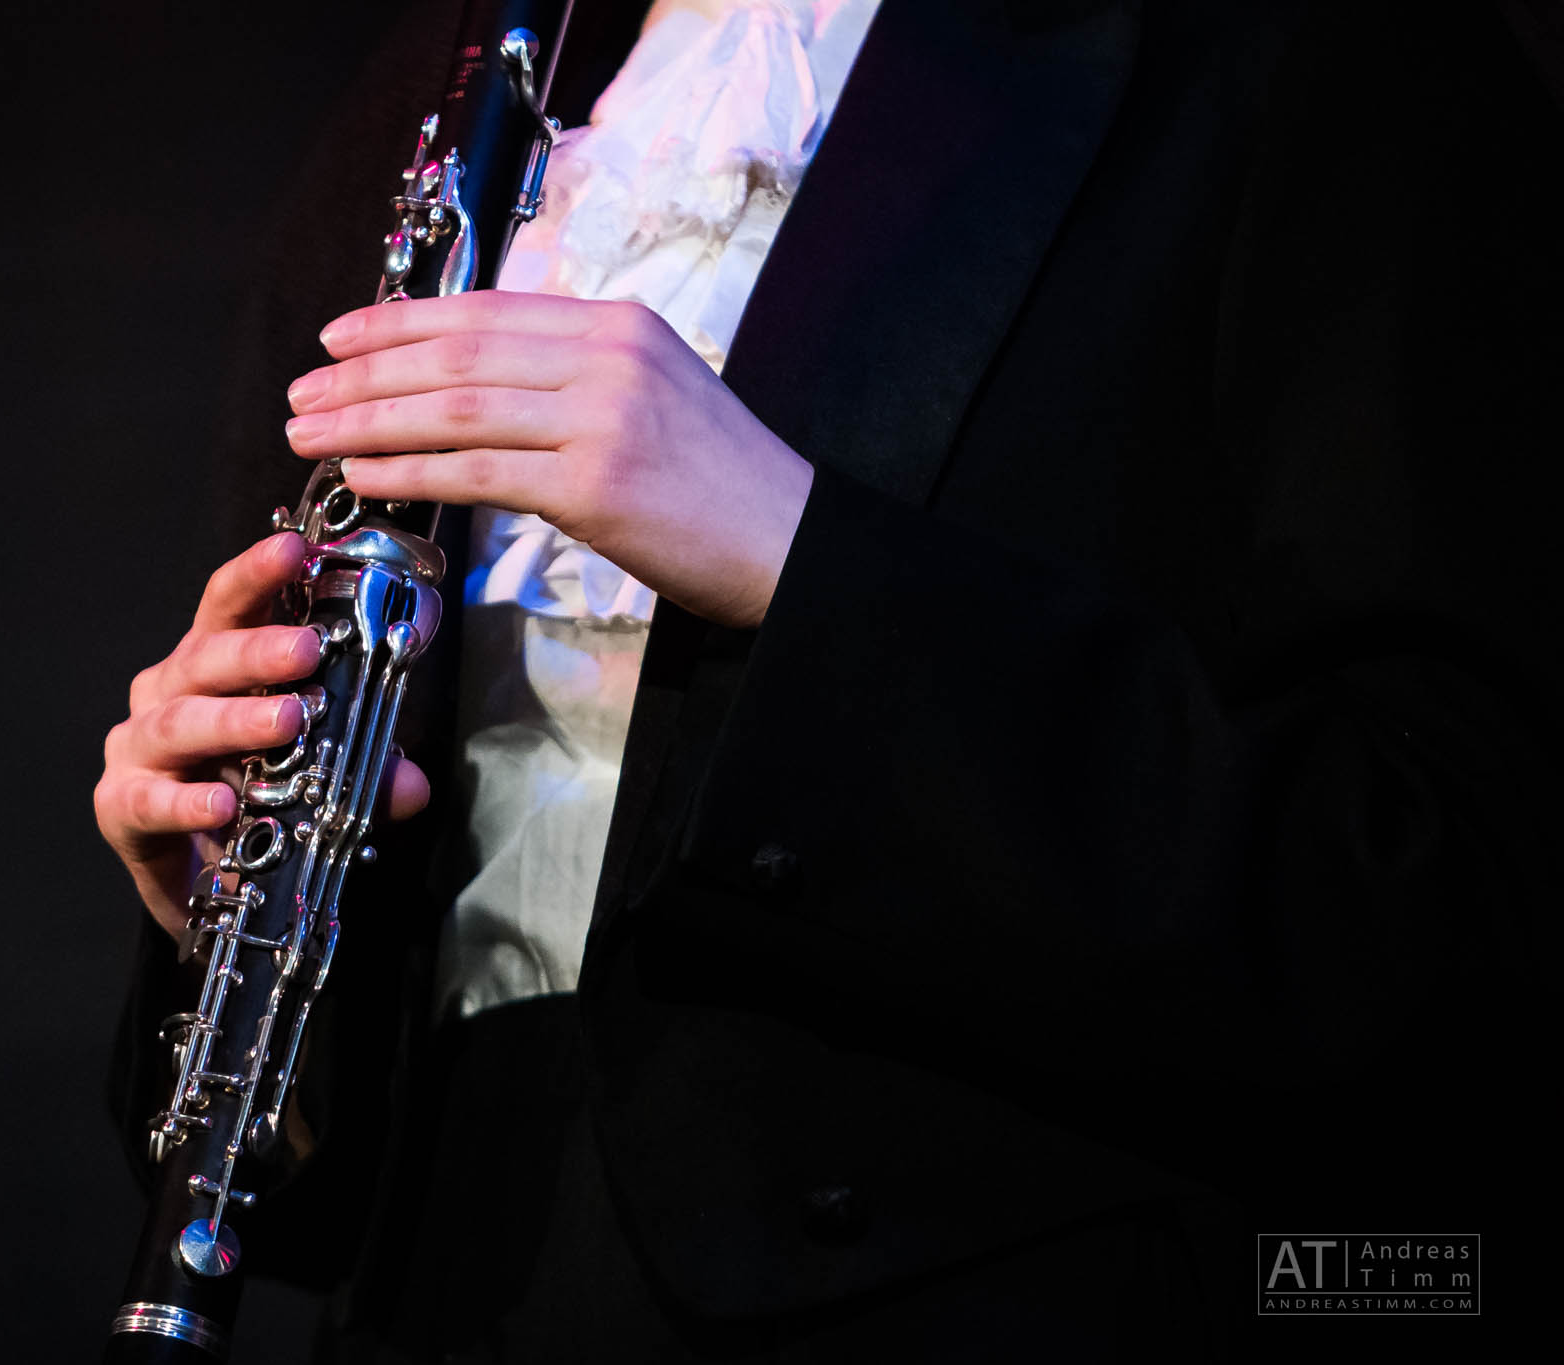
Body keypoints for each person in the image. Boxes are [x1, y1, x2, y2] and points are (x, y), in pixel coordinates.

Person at [97, 0, 1559, 1358]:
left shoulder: (1303, 44)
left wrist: (806, 558)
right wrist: (227, 892)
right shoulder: (436, 98)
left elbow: (1449, 909)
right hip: (459, 1294)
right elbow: (332, 1168)